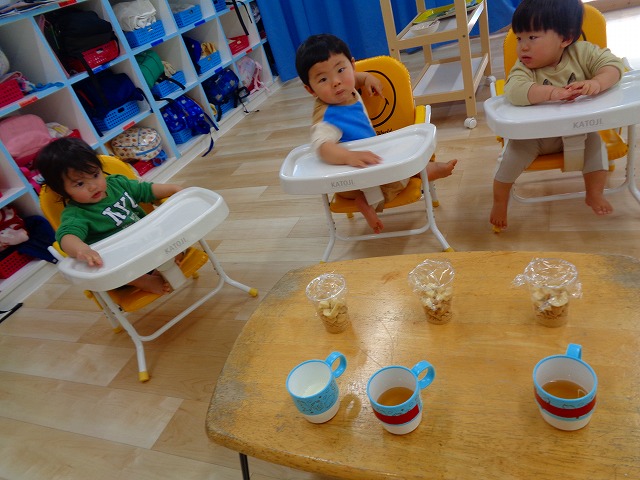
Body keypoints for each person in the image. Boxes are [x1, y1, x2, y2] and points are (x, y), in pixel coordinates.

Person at [295, 33, 457, 234]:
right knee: (398, 178)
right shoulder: (327, 117)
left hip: (369, 160)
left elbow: (354, 78)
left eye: (340, 70)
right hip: (352, 178)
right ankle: (370, 201)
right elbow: (322, 147)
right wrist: (349, 156)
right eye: (323, 79)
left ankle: (420, 170)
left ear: (352, 65)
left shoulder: (345, 87)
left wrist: (367, 78)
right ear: (310, 90)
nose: (336, 81)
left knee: (399, 156)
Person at [490, 0, 626, 231]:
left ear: (565, 38)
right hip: (534, 138)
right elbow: (513, 91)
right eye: (519, 38)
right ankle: (500, 202)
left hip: (580, 130)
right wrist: (550, 93)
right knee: (509, 161)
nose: (522, 47)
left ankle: (594, 193)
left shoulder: (583, 53)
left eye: (532, 37)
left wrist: (597, 82)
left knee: (597, 149)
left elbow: (613, 65)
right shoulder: (524, 68)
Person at [35, 137, 183, 295]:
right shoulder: (76, 214)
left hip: (147, 243)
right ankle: (145, 281)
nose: (93, 186)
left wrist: (174, 189)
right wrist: (81, 249)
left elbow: (147, 190)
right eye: (80, 184)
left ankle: (165, 263)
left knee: (179, 237)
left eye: (95, 175)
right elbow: (67, 237)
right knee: (105, 269)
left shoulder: (118, 184)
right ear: (62, 191)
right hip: (121, 264)